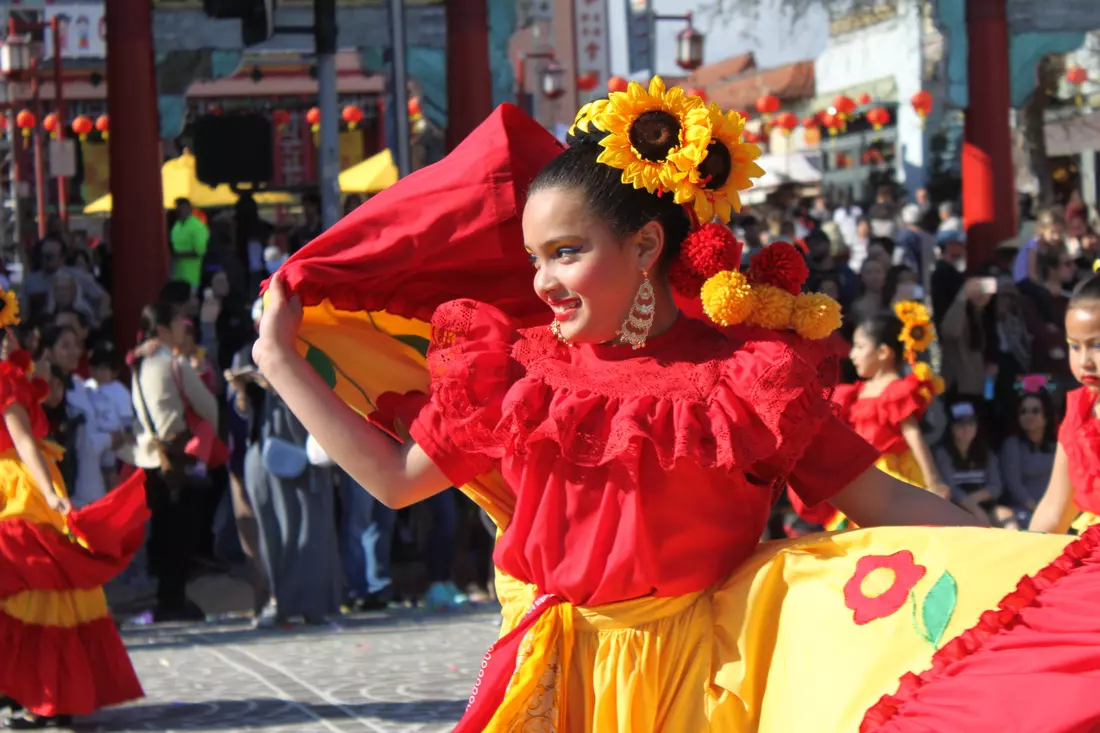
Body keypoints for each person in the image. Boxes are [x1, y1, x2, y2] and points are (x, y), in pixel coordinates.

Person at [255, 86, 1100, 731]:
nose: (544, 281)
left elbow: (880, 500)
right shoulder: (524, 375)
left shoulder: (748, 377)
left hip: (705, 679)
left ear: (648, 245)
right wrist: (280, 361)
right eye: (535, 258)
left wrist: (1035, 566)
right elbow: (396, 479)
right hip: (562, 677)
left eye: (567, 252)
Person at [0, 293, 148, 729]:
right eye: (6, 329)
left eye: (10, 329)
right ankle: (35, 692)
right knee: (39, 589)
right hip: (24, 482)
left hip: (22, 487)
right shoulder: (12, 376)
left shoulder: (10, 378)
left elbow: (24, 439)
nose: (11, 337)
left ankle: (40, 695)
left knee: (35, 587)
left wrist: (48, 494)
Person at [129, 300, 219, 622]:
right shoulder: (175, 363)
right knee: (180, 536)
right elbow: (209, 407)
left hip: (149, 457)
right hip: (179, 457)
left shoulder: (137, 364)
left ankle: (165, 600)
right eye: (180, 320)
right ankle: (174, 601)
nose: (185, 325)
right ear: (164, 327)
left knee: (163, 534)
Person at [1032, 270, 1100, 534]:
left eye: (1097, 345)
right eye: (1074, 346)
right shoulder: (1080, 412)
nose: (1085, 361)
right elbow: (1054, 509)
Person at [933, 400, 1007, 526]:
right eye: (960, 424)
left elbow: (996, 487)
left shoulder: (987, 454)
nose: (966, 428)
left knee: (1006, 515)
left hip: (984, 506)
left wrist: (973, 502)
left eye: (970, 423)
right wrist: (973, 508)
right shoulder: (943, 454)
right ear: (951, 428)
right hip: (954, 509)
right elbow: (950, 488)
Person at [1000, 383, 1056, 526]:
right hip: (1023, 511)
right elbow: (1014, 484)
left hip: (1055, 511)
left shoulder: (1057, 445)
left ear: (1046, 416)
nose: (1028, 415)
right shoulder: (1012, 445)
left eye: (1035, 411)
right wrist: (1038, 510)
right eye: (1023, 411)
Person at [170, 197, 210, 291]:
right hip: (178, 277)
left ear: (189, 208)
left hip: (193, 277)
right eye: (178, 207)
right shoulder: (176, 226)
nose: (179, 210)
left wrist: (177, 254)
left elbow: (200, 251)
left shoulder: (198, 226)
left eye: (182, 207)